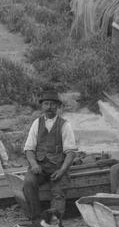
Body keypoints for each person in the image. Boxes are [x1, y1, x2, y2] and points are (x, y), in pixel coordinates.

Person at [21, 89, 78, 219]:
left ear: (58, 106)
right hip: (40, 166)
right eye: (46, 104)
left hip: (57, 167)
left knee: (58, 192)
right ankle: (35, 217)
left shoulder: (65, 125)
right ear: (42, 106)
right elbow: (29, 149)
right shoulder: (37, 123)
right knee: (29, 183)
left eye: (53, 104)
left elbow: (71, 153)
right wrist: (34, 164)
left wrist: (62, 170)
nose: (49, 107)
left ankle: (53, 221)